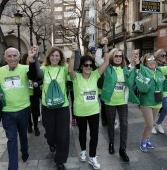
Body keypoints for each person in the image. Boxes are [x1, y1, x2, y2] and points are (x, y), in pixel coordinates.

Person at [68, 38, 109, 170]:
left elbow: (107, 62)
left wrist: (106, 47)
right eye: (85, 65)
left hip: (94, 111)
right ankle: (83, 150)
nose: (88, 67)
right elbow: (70, 70)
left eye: (90, 65)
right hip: (80, 111)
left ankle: (92, 156)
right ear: (81, 66)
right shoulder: (76, 77)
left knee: (95, 134)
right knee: (82, 133)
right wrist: (73, 52)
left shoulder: (95, 75)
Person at [28, 46, 70, 170]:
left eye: (57, 55)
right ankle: (51, 143)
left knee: (63, 135)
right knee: (50, 133)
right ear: (48, 57)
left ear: (60, 57)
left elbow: (75, 67)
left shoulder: (64, 69)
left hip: (62, 106)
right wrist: (34, 57)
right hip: (47, 107)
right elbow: (34, 74)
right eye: (52, 55)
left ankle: (60, 160)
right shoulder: (44, 69)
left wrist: (76, 52)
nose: (54, 57)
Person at [0, 46, 38, 170]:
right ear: (5, 58)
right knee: (12, 139)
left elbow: (34, 75)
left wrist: (31, 59)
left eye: (15, 55)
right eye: (9, 56)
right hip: (7, 112)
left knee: (23, 136)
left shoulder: (25, 68)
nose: (12, 58)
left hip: (24, 110)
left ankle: (24, 151)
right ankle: (13, 167)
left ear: (19, 57)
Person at [100, 48, 139, 162]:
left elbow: (133, 74)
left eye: (120, 56)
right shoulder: (107, 67)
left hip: (122, 102)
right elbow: (98, 59)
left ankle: (123, 149)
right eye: (116, 56)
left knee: (124, 125)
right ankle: (111, 143)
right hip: (110, 102)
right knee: (111, 124)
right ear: (112, 57)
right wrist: (104, 46)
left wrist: (135, 62)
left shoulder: (125, 69)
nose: (118, 58)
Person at [129, 53, 167, 152]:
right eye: (149, 59)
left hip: (157, 102)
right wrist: (137, 61)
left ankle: (148, 138)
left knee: (153, 123)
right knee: (149, 124)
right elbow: (137, 67)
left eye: (154, 59)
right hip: (146, 102)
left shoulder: (159, 71)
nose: (152, 61)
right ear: (145, 62)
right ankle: (143, 140)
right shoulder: (142, 70)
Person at [21, 53, 42, 136]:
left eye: (31, 59)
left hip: (34, 94)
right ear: (25, 60)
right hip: (25, 94)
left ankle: (36, 127)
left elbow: (42, 79)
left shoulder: (36, 69)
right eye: (28, 59)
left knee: (35, 111)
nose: (29, 60)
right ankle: (29, 125)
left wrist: (38, 83)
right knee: (27, 111)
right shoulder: (22, 69)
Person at [151, 49, 167, 134]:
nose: (164, 57)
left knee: (166, 108)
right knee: (156, 109)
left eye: (165, 55)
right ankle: (152, 125)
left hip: (166, 91)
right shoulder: (155, 65)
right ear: (158, 56)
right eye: (162, 55)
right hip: (157, 91)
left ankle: (159, 123)